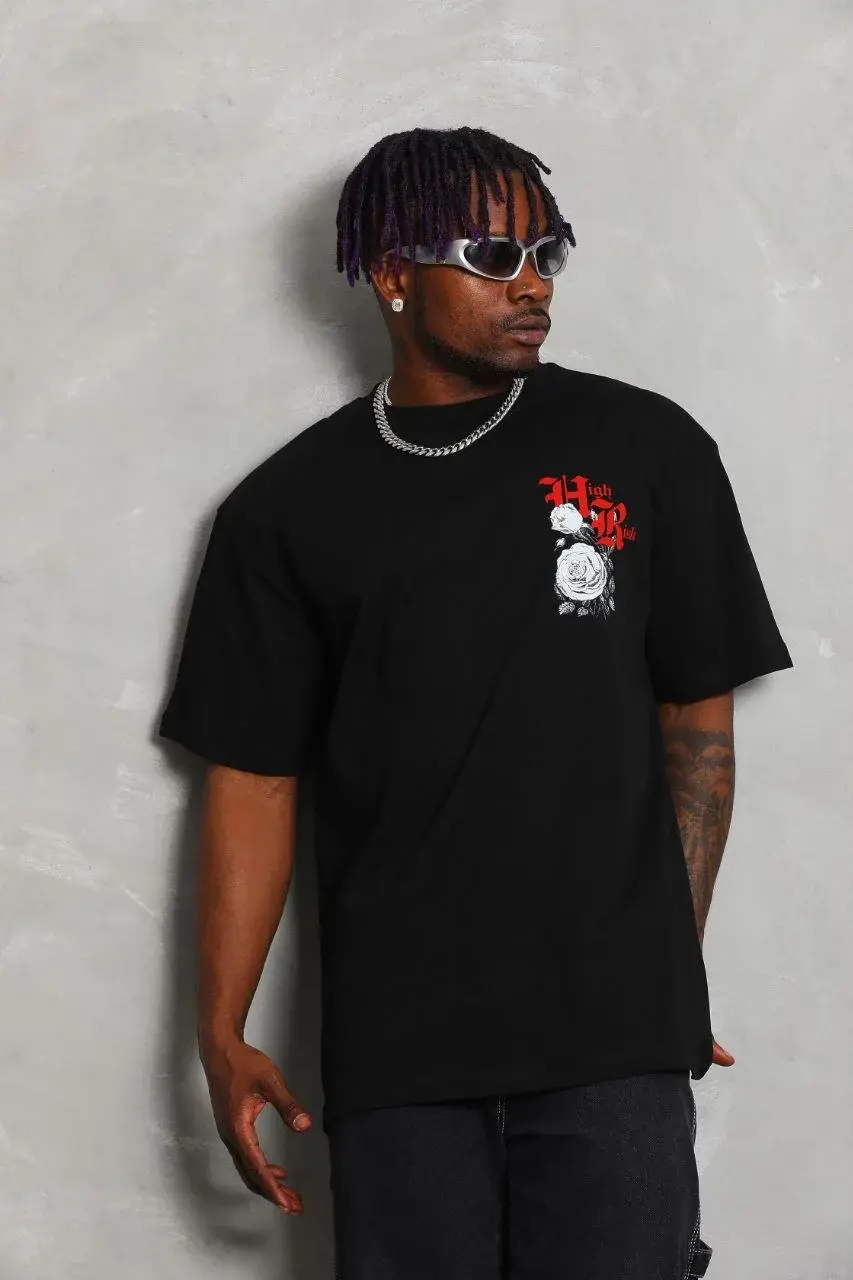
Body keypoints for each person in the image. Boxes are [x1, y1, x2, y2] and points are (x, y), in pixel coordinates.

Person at [159, 126, 792, 1279]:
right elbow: (252, 777)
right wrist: (219, 1029)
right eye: (494, 255)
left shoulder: (644, 447)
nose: (533, 282)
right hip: (400, 1049)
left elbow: (696, 720)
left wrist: (665, 960)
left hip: (610, 1036)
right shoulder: (287, 509)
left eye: (548, 251)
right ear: (391, 274)